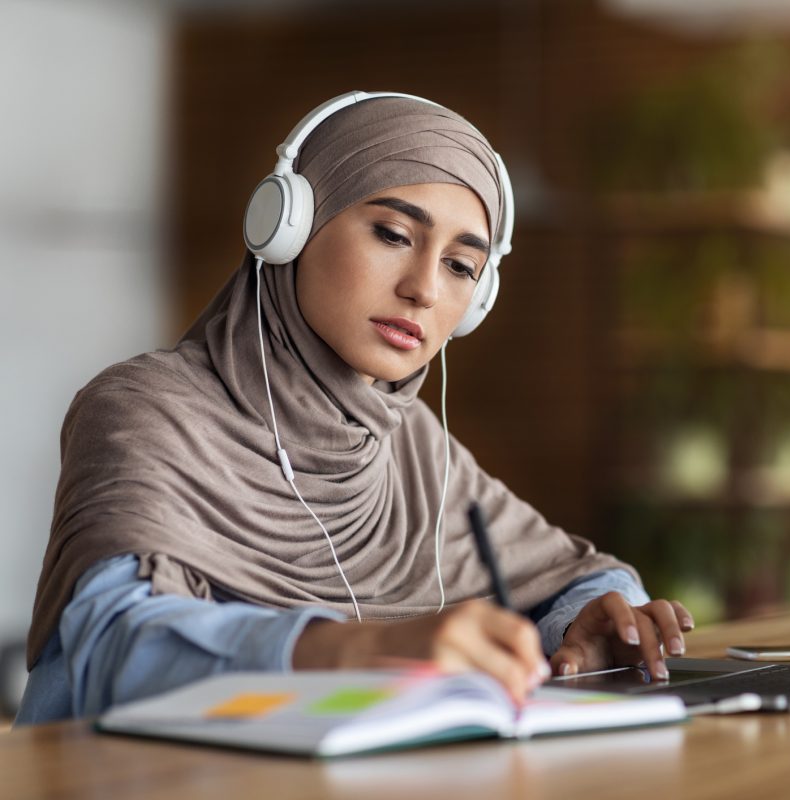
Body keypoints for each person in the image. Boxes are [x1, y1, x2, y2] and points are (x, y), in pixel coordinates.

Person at [15, 92, 692, 725]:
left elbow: (577, 571)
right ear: (288, 226)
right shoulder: (147, 409)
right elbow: (116, 648)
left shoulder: (414, 446)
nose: (425, 288)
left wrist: (582, 622)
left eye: (461, 267)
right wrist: (354, 649)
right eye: (394, 234)